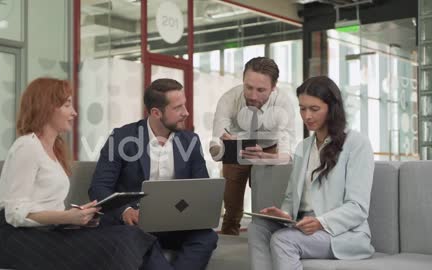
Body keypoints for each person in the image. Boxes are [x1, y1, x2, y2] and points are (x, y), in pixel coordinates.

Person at [0, 78, 157, 270]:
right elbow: (14, 213)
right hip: (18, 241)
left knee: (131, 235)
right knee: (124, 239)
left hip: (46, 233)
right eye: (67, 105)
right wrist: (67, 217)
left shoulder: (54, 150)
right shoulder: (27, 147)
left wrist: (78, 218)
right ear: (47, 107)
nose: (74, 113)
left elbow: (46, 206)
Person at [247, 76, 375, 270]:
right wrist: (284, 214)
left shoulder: (357, 144)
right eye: (302, 108)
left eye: (314, 109)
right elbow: (291, 198)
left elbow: (358, 207)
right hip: (302, 225)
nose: (307, 116)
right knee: (257, 228)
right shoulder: (303, 147)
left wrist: (320, 222)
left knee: (283, 240)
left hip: (343, 234)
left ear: (332, 109)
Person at [89, 78, 218, 270]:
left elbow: (201, 188)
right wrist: (125, 212)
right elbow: (99, 188)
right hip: (134, 225)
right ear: (156, 112)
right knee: (141, 239)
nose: (186, 112)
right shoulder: (122, 138)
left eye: (185, 105)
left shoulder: (191, 141)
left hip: (176, 223)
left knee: (207, 236)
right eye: (178, 108)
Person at [210, 57, 296, 235]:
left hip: (270, 148)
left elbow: (287, 154)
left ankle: (270, 234)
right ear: (243, 81)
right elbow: (217, 141)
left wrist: (266, 157)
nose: (253, 95)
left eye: (261, 90)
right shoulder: (229, 99)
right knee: (232, 202)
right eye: (248, 87)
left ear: (274, 87)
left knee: (269, 199)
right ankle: (229, 232)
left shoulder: (283, 104)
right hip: (238, 146)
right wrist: (223, 146)